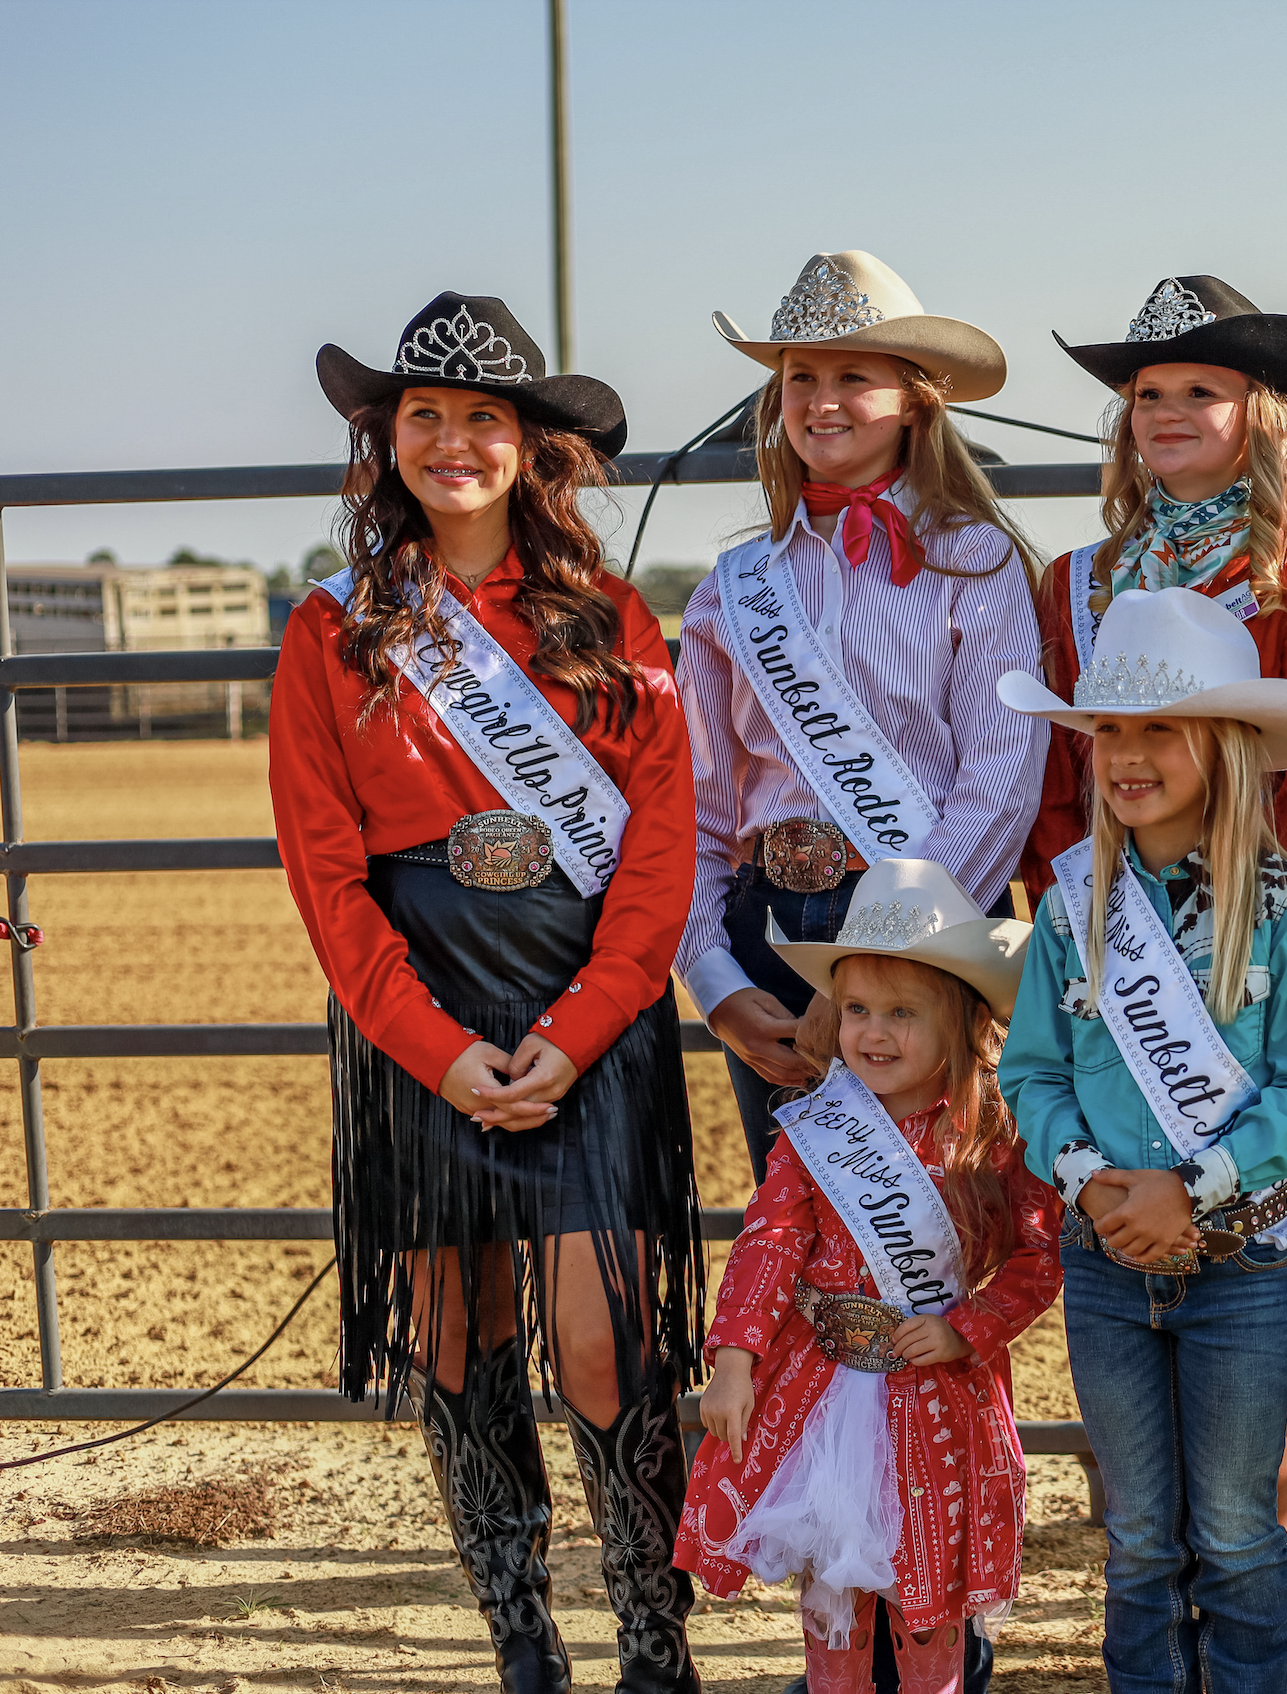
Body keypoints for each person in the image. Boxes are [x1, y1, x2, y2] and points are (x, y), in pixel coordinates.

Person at [274, 292, 704, 1693]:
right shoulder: (329, 636)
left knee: (601, 1338)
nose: (452, 442)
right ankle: (522, 1636)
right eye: (425, 416)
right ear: (384, 439)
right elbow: (329, 882)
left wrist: (576, 1036)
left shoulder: (612, 621)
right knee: (458, 1333)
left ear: (531, 449)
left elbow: (656, 853)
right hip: (424, 1034)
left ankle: (655, 1643)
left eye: (483, 419)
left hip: (587, 1026)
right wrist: (439, 1050)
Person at [1021, 275, 1287, 1662]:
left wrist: (1218, 926)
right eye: (1146, 392)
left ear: (1261, 416)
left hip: (1243, 973)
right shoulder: (1080, 579)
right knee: (1128, 1290)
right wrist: (1100, 913)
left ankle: (1277, 1555)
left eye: (1199, 391)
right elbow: (1067, 786)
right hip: (1107, 950)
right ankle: (1161, 1582)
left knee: (1250, 1300)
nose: (1166, 412)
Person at [996, 587, 1287, 1693]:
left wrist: (1189, 1187)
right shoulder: (1068, 909)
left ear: (1229, 745)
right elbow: (1031, 1073)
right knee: (1142, 1534)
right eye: (1107, 728)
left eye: (1159, 726)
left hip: (1242, 1262)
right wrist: (1096, 1182)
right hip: (1104, 1257)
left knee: (1243, 1530)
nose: (1126, 753)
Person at [679, 249, 1047, 1188]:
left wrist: (880, 955)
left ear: (918, 398)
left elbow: (1000, 781)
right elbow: (696, 809)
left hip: (927, 923)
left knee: (923, 1216)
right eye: (801, 376)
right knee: (791, 1217)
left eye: (854, 375)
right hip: (768, 925)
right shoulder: (736, 586)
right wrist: (718, 984)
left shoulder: (977, 560)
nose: (821, 399)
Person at [676, 858, 1061, 1694]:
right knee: (835, 1606)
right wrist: (735, 1359)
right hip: (827, 1404)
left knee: (930, 1599)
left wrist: (971, 1325)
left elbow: (1037, 1256)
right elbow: (769, 1242)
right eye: (855, 1010)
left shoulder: (996, 1137)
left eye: (901, 1013)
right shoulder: (816, 1128)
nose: (873, 1033)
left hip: (937, 1396)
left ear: (960, 1023)